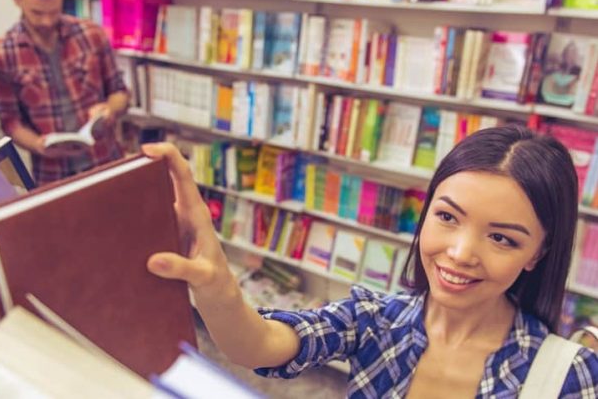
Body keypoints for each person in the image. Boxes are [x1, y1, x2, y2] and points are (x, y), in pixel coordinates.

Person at [142, 125, 598, 397]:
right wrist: (216, 282)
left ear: (538, 252)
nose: (460, 253)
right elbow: (258, 346)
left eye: (501, 238)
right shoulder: (375, 320)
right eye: (447, 217)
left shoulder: (567, 376)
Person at [0, 0, 128, 185]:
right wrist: (37, 144)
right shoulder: (1, 54)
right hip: (52, 176)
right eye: (37, 12)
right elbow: (10, 122)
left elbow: (119, 92)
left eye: (54, 11)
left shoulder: (91, 34)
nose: (47, 21)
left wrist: (109, 109)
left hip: (106, 162)